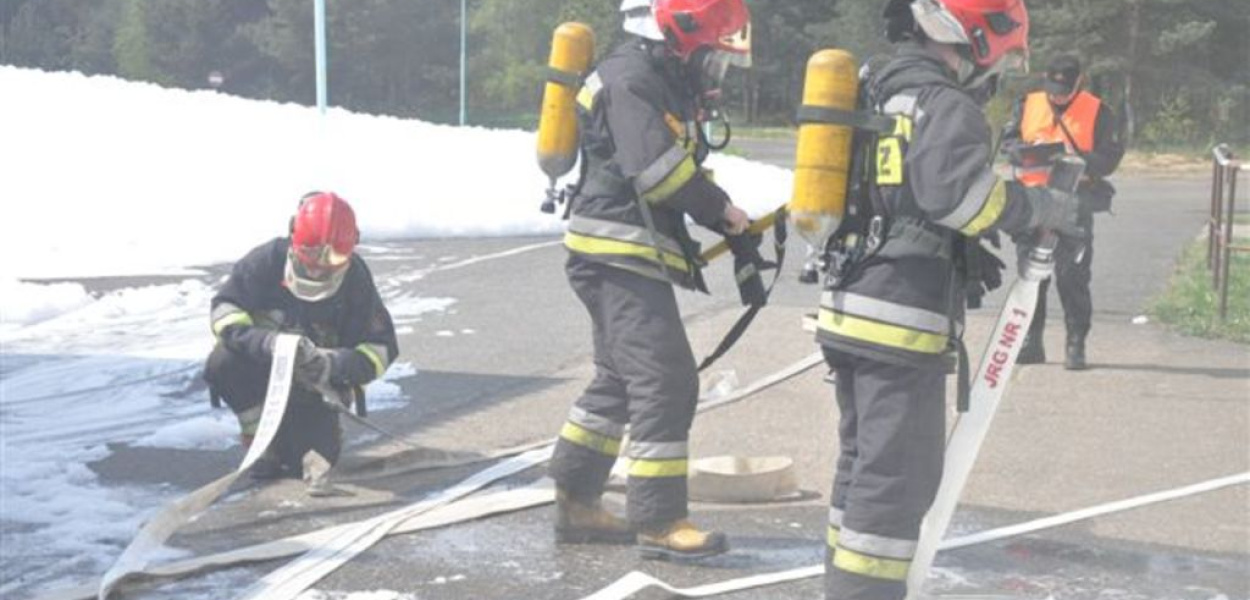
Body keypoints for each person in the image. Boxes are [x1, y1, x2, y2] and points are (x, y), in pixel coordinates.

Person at [813, 1, 1083, 598]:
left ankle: (842, 585)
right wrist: (1035, 208)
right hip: (899, 318)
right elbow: (957, 199)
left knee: (862, 466)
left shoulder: (876, 86)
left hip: (850, 304)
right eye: (1002, 54)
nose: (998, 71)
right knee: (896, 480)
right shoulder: (948, 104)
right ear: (977, 38)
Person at [548, 0, 758, 561]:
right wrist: (722, 212)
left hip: (618, 250)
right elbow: (658, 170)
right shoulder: (630, 79)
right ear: (679, 35)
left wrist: (719, 214)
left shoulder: (651, 77)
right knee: (667, 382)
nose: (713, 71)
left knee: (618, 380)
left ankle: (575, 499)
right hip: (617, 253)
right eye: (711, 57)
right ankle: (660, 521)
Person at [204, 191, 398, 482]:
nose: (317, 267)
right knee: (223, 361)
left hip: (313, 385)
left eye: (331, 259)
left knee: (307, 464)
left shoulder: (355, 279)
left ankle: (306, 432)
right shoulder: (267, 261)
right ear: (294, 237)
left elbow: (381, 348)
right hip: (261, 372)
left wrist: (333, 364)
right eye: (309, 255)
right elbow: (225, 311)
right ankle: (259, 441)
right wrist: (266, 343)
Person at [1004, 54, 1125, 370]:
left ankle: (1076, 343)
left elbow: (1110, 159)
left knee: (1072, 275)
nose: (1056, 94)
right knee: (1031, 275)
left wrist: (1076, 156)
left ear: (1078, 83)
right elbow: (1008, 143)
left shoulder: (1100, 111)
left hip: (1075, 203)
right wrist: (1028, 152)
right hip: (1031, 201)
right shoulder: (1026, 104)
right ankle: (1031, 342)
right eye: (1052, 87)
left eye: (1063, 89)